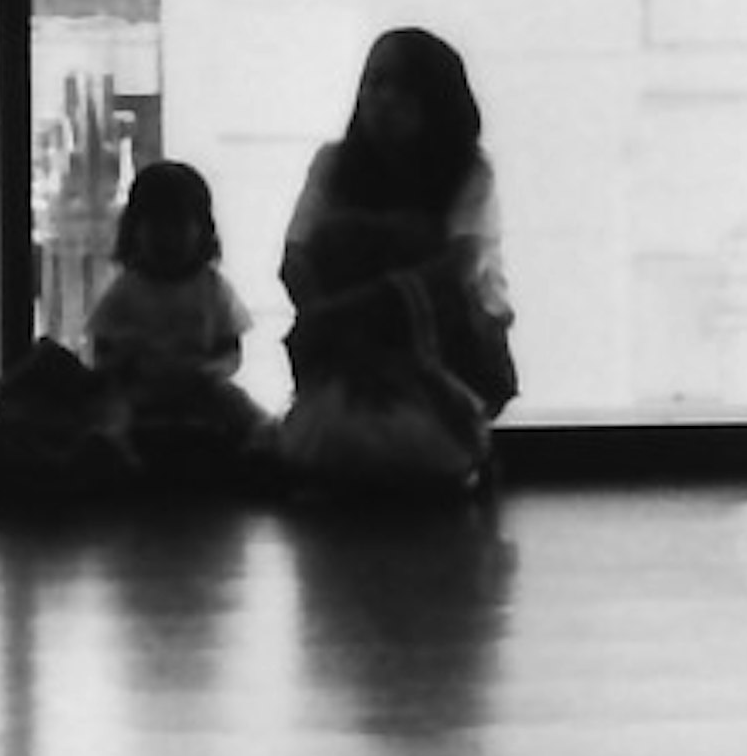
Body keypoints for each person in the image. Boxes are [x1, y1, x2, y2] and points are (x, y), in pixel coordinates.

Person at [273, 31, 516, 492]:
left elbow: (457, 269)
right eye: (373, 83)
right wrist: (341, 334)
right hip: (347, 350)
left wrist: (358, 313)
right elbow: (296, 260)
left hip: (442, 348)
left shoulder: (469, 170)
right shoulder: (333, 164)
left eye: (401, 87)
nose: (382, 100)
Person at [84, 160, 267, 470]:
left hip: (199, 388)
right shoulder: (127, 289)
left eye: (178, 226)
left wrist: (209, 373)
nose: (168, 238)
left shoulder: (211, 288)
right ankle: (115, 454)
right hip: (142, 389)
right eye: (157, 227)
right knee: (112, 414)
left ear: (202, 230)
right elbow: (102, 354)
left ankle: (262, 449)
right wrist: (125, 363)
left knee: (242, 411)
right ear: (134, 230)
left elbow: (231, 351)